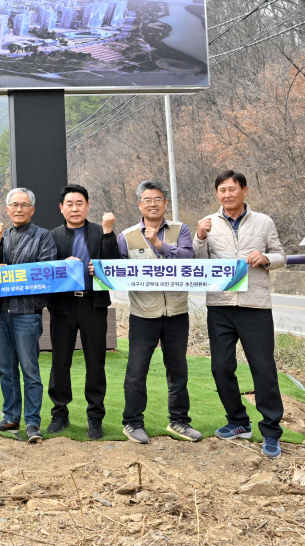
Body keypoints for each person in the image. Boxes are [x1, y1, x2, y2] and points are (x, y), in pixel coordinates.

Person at [196, 170, 287, 459]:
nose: (227, 194)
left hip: (255, 306)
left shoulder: (263, 222)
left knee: (262, 369)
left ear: (244, 190)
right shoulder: (208, 224)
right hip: (220, 306)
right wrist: (199, 238)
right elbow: (197, 263)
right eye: (221, 190)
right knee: (220, 368)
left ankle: (271, 432)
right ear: (217, 194)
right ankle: (238, 421)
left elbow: (280, 255)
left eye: (232, 189)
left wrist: (267, 259)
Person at [115, 180, 202, 445]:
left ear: (165, 203)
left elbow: (188, 259)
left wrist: (159, 244)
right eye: (147, 200)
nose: (153, 204)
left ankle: (179, 421)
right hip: (143, 313)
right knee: (136, 370)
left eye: (158, 199)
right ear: (140, 204)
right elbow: (117, 269)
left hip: (176, 312)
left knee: (178, 369)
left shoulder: (180, 229)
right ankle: (132, 422)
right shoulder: (127, 236)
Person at [47, 184, 120, 441]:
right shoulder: (51, 236)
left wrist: (101, 260)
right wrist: (60, 266)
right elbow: (44, 271)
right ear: (61, 208)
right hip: (63, 306)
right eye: (69, 204)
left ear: (88, 206)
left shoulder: (102, 232)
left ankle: (95, 417)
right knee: (60, 361)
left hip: (93, 305)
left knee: (95, 361)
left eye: (80, 203)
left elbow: (115, 266)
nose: (75, 208)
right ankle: (59, 414)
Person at [0, 188, 57, 445]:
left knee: (30, 370)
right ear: (7, 209)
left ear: (32, 209)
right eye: (14, 205)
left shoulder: (43, 237)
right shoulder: (1, 237)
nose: (18, 209)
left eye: (24, 205)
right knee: (6, 368)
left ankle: (33, 422)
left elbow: (45, 273)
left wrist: (11, 272)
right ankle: (10, 416)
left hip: (27, 312)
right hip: (0, 312)